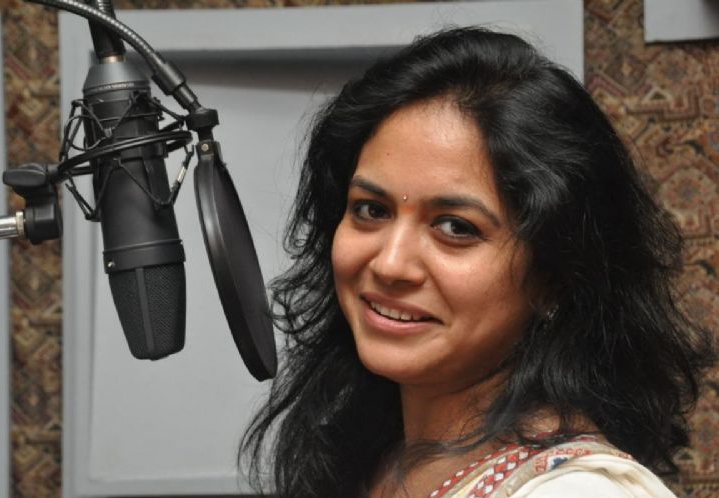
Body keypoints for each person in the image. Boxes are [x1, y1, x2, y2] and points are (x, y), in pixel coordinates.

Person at [240, 27, 716, 498]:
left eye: (455, 227)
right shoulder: (371, 456)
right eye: (371, 210)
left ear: (555, 275)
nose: (390, 264)